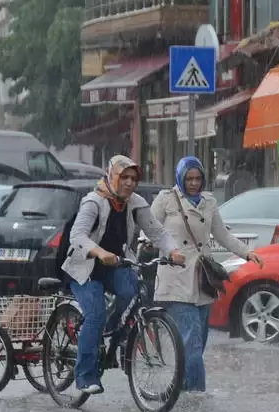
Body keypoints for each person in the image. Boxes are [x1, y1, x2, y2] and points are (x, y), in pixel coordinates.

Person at [62, 155, 183, 395]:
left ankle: (111, 333)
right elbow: (77, 236)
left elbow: (157, 231)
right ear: (112, 176)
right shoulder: (93, 201)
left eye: (133, 178)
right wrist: (99, 252)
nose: (129, 183)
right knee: (94, 314)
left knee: (132, 292)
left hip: (116, 264)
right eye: (124, 177)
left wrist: (174, 250)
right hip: (84, 267)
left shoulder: (135, 202)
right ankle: (85, 376)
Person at [151, 156, 263, 393]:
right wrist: (159, 248)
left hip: (203, 280)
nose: (193, 183)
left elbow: (222, 234)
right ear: (180, 178)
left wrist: (247, 253)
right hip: (176, 279)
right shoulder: (166, 200)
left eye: (197, 178)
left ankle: (179, 389)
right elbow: (150, 228)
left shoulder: (208, 202)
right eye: (188, 178)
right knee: (191, 343)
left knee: (197, 343)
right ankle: (196, 396)